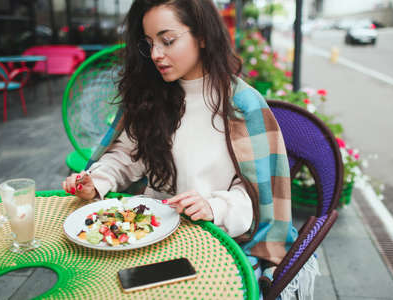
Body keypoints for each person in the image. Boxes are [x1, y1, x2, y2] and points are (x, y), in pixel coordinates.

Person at [62, 1, 308, 298]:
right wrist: (97, 181)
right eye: (149, 43)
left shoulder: (242, 107)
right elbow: (126, 156)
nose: (155, 55)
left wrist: (213, 206)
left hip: (218, 242)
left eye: (168, 41)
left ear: (202, 35)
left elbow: (259, 198)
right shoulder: (149, 95)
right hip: (149, 236)